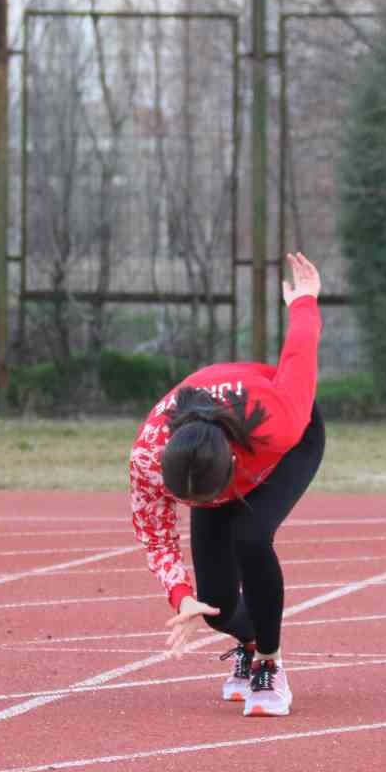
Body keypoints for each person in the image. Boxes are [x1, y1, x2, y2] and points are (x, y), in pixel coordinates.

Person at [128, 251, 325, 717]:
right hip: (208, 458)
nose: (204, 505)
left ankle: (270, 664)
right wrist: (182, 595)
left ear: (232, 462)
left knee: (251, 536)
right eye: (190, 501)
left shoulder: (278, 421)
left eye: (212, 497)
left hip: (289, 446)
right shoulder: (147, 459)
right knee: (215, 601)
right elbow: (156, 537)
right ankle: (250, 641)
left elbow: (299, 352)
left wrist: (304, 301)